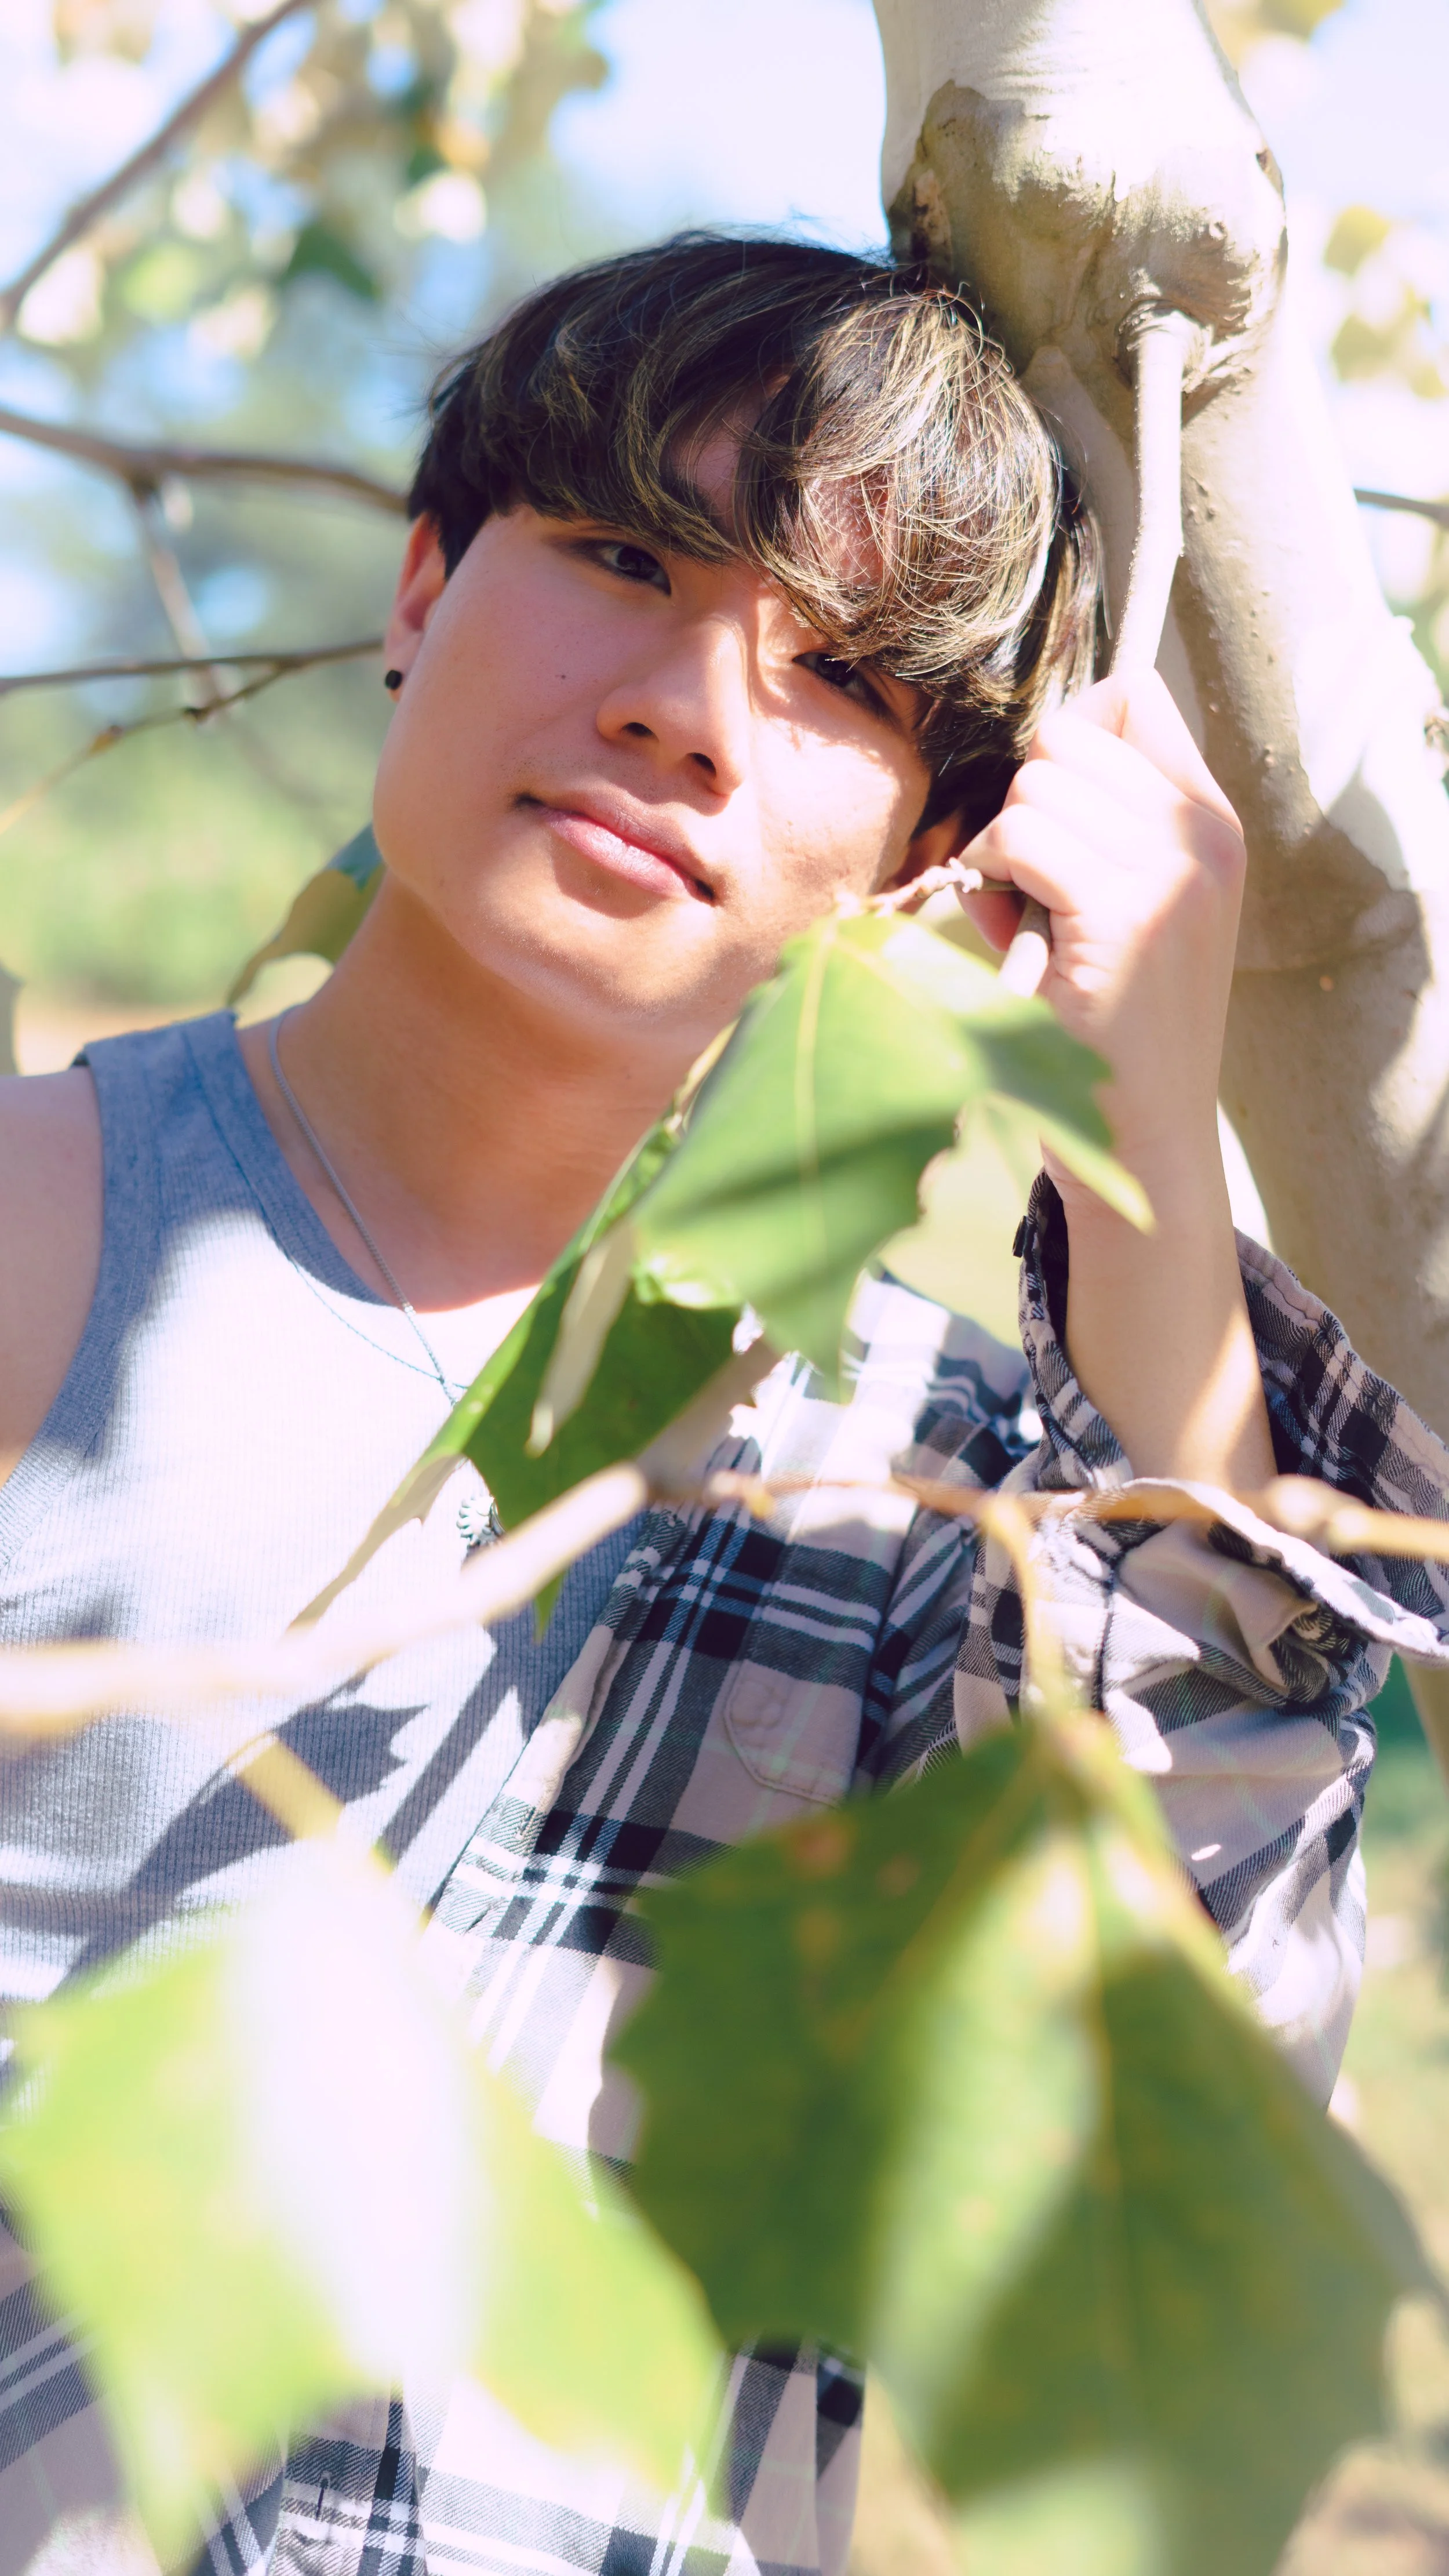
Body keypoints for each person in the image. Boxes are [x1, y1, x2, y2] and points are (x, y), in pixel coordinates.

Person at [0, 232, 1446, 2576]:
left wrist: (1154, 1150)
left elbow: (1158, 2071)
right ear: (416, 585)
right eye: (624, 557)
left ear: (937, 856)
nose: (689, 703)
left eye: (844, 682)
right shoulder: (48, 1240)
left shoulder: (922, 1496)